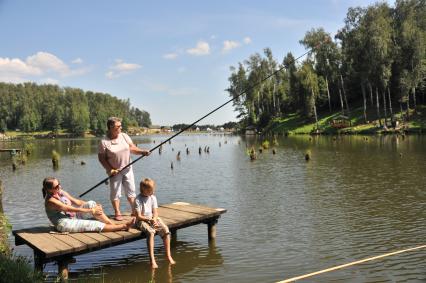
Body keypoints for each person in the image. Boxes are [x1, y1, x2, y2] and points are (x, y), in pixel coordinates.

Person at [98, 117, 150, 221]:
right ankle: (117, 212)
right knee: (115, 192)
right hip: (114, 171)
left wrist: (142, 152)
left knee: (131, 191)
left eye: (120, 125)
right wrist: (110, 169)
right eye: (118, 126)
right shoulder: (104, 141)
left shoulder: (124, 136)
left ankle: (134, 210)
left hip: (128, 168)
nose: (121, 127)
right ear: (111, 127)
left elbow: (132, 148)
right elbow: (102, 158)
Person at [43, 177, 134, 232]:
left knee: (91, 203)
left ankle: (111, 224)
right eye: (56, 187)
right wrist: (91, 211)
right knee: (93, 224)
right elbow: (69, 209)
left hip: (72, 217)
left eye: (59, 184)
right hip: (64, 223)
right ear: (48, 190)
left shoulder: (60, 192)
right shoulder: (51, 201)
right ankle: (123, 226)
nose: (59, 187)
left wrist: (93, 206)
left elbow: (76, 202)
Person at [135, 178, 175, 268]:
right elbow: (138, 216)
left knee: (166, 230)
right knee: (151, 232)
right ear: (143, 189)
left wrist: (155, 219)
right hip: (141, 220)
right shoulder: (138, 199)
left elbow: (156, 212)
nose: (152, 191)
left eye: (153, 189)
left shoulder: (153, 197)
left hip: (152, 218)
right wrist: (149, 220)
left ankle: (168, 255)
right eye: (150, 190)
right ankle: (152, 260)